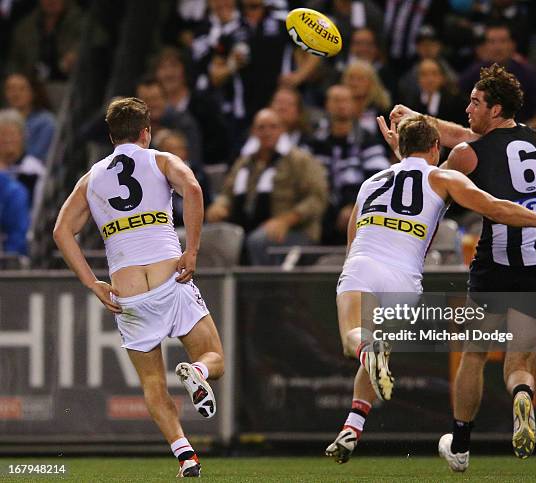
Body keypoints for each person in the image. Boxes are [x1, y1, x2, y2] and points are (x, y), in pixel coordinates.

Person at [325, 115, 536, 464]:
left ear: (401, 148)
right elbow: (495, 208)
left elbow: (352, 238)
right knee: (381, 345)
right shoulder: (443, 177)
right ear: (434, 148)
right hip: (404, 278)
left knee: (355, 337)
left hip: (362, 264)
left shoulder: (370, 182)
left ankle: (366, 354)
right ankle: (352, 427)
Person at [390, 63, 536, 470]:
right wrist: (419, 118)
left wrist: (403, 147)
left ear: (496, 107)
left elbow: (428, 184)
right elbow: (473, 138)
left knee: (473, 354)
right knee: (519, 366)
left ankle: (461, 445)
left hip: (494, 266)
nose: (468, 108)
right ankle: (522, 397)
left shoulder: (468, 155)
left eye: (475, 102)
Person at [53, 97, 224, 478]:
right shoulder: (160, 159)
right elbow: (193, 189)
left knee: (152, 381)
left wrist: (92, 282)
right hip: (170, 277)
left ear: (112, 136)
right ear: (147, 132)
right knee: (214, 357)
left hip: (128, 293)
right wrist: (192, 250)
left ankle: (186, 456)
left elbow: (62, 230)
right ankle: (197, 371)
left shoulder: (92, 177)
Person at [206, 108, 328, 265]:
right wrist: (219, 205)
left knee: (258, 241)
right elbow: (227, 193)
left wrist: (286, 220)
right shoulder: (245, 161)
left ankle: (264, 289)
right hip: (245, 227)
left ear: (282, 130)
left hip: (295, 231)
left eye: (273, 127)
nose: (267, 132)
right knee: (213, 237)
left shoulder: (299, 160)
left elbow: (316, 198)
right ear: (253, 131)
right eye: (261, 127)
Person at [307, 85, 389, 245]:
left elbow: (380, 179)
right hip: (321, 209)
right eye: (336, 100)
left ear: (353, 105)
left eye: (346, 100)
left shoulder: (368, 139)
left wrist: (354, 206)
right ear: (327, 105)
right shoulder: (315, 141)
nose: (341, 105)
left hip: (358, 208)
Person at [3, 71, 57, 161]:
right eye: (11, 89)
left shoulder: (46, 122)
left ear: (32, 92)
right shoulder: (2, 119)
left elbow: (37, 155)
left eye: (21, 89)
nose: (15, 94)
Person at [0, 108, 45, 206]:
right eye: (3, 134)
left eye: (12, 134)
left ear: (22, 136)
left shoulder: (33, 169)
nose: (7, 139)